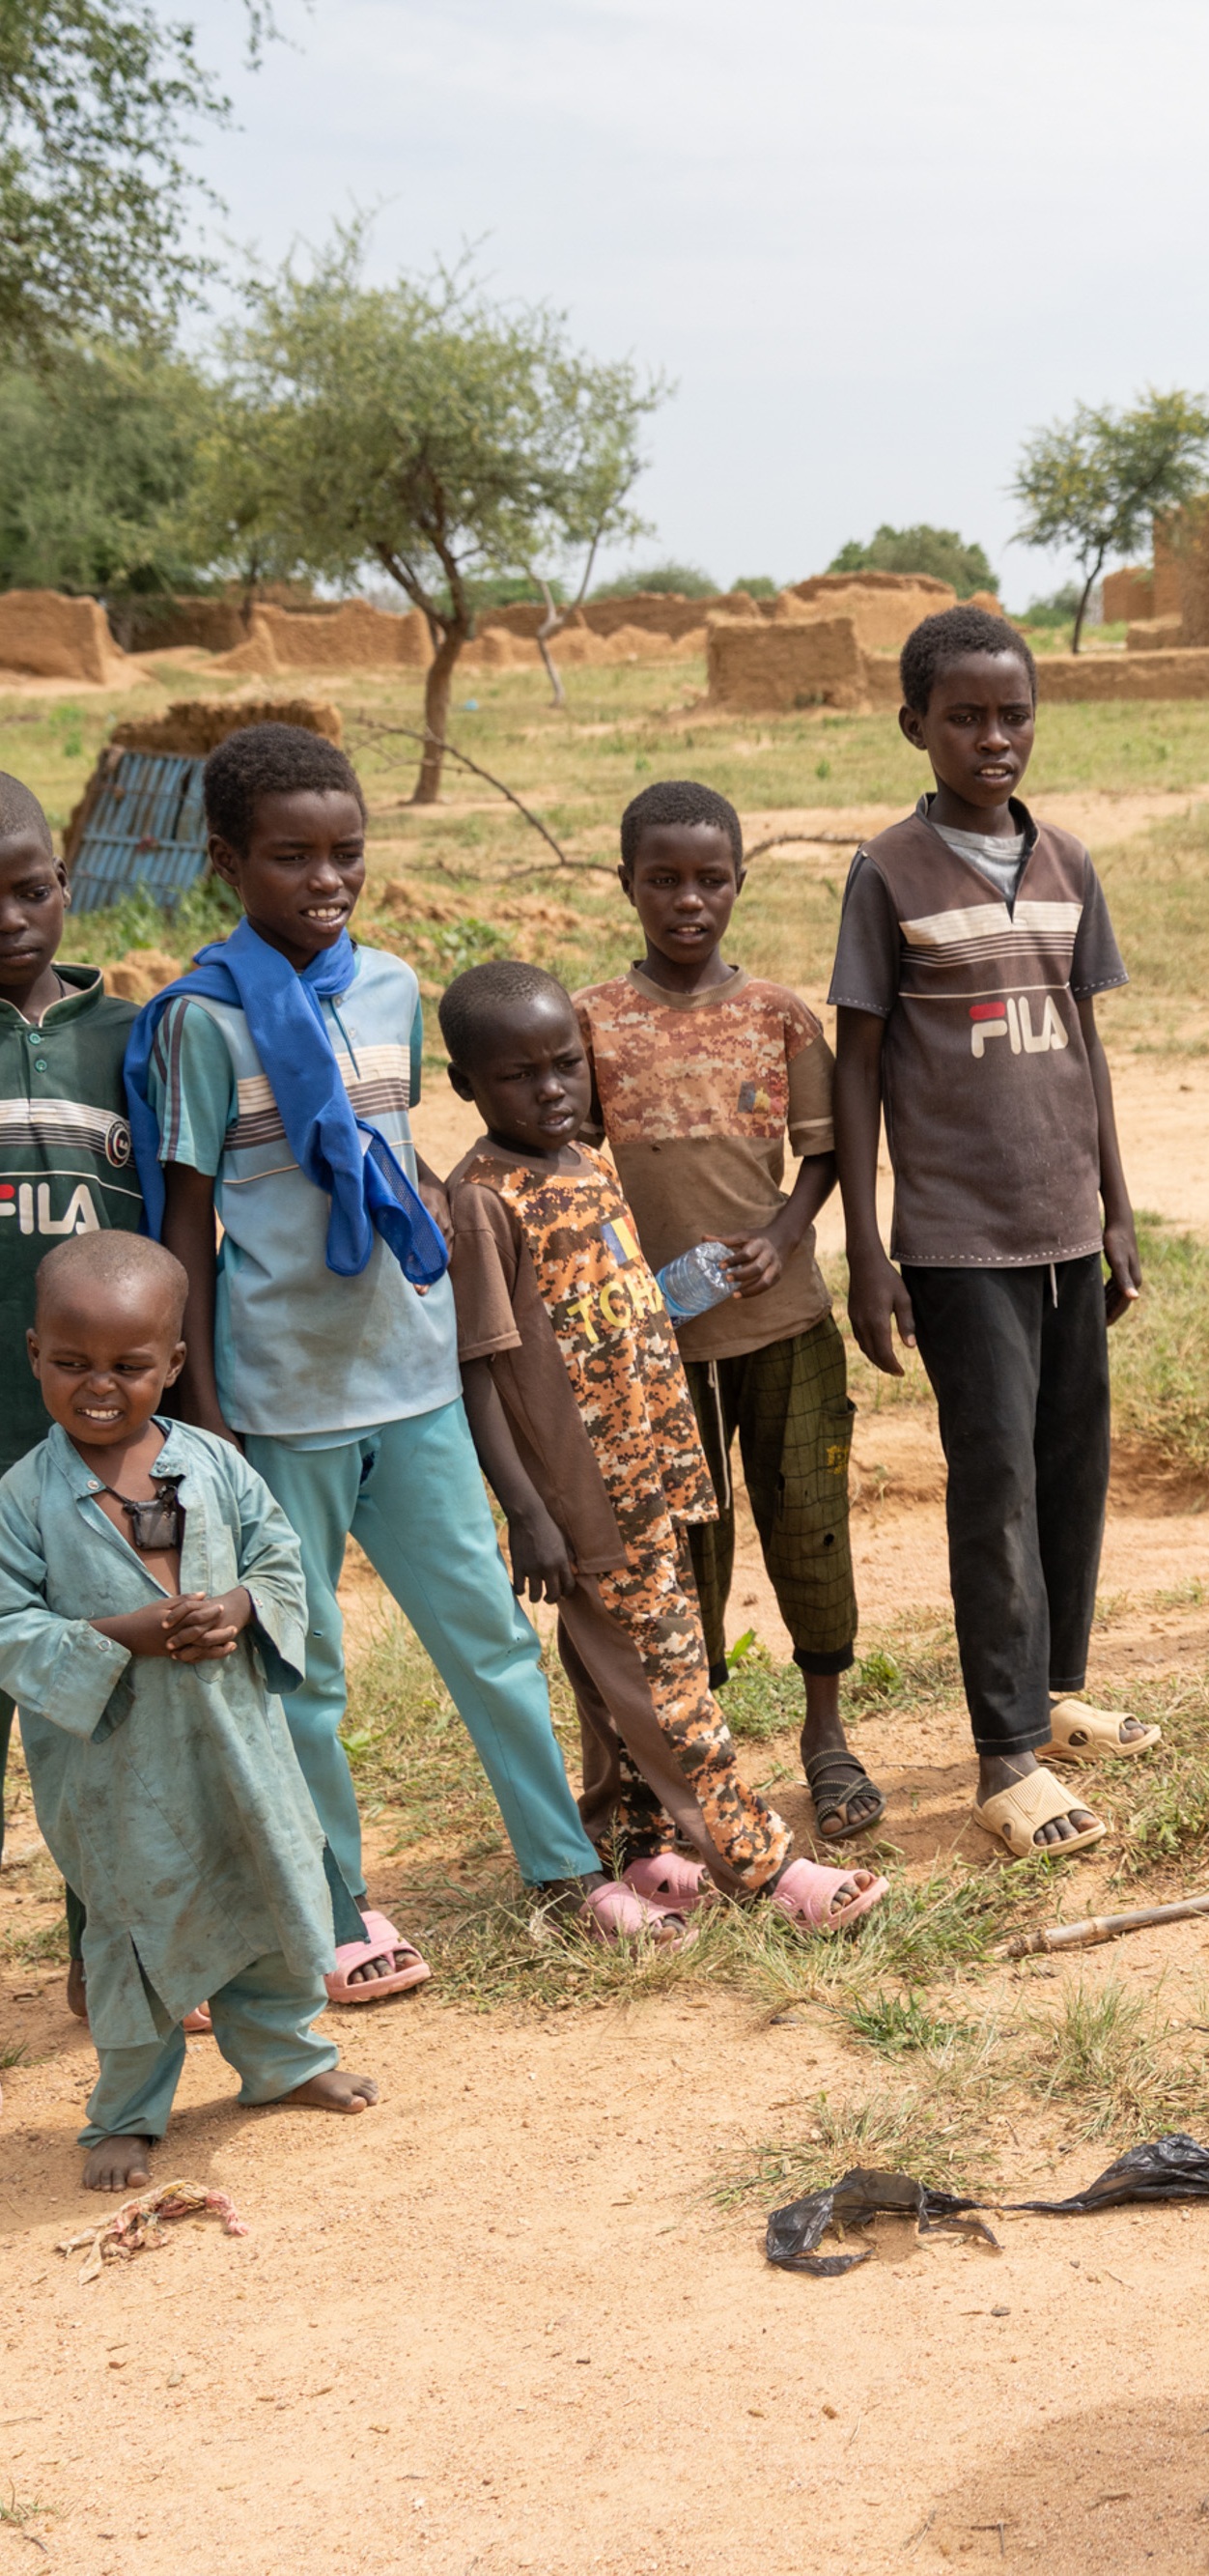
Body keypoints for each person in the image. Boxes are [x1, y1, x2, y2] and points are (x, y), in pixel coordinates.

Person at [129, 722, 619, 1996]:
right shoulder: (200, 1021)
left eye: (348, 853)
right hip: (277, 1400)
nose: (327, 879)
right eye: (292, 857)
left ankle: (560, 1867)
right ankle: (336, 1902)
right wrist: (204, 1411)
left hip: (412, 1380)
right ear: (229, 862)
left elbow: (404, 1174)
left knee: (489, 1636)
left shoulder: (394, 988)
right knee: (305, 1670)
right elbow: (186, 1220)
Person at [443, 960, 885, 1938]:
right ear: (465, 1082)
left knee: (615, 1682)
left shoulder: (587, 1161)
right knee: (671, 1687)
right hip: (584, 1501)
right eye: (520, 1075)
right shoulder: (483, 1201)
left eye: (566, 1065)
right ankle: (766, 1868)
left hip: (657, 1473)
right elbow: (477, 1369)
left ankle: (638, 1845)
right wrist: (528, 1513)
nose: (552, 1089)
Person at [831, 607, 1152, 1864]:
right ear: (915, 724)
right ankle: (1003, 1751)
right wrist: (868, 1244)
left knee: (1074, 1463)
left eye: (1012, 712)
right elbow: (858, 1067)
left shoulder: (1069, 862)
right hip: (960, 1240)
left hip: (1066, 1225)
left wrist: (1117, 1207)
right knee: (997, 1483)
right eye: (963, 715)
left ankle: (1058, 1692)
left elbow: (1086, 1047)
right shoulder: (890, 873)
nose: (993, 736)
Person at [0, 1231, 378, 2189]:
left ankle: (285, 2062)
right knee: (133, 1929)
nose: (99, 1386)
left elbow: (280, 1560)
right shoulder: (23, 1499)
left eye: (129, 1366)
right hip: (116, 1772)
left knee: (263, 1892)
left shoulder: (211, 1464)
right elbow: (9, 1624)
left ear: (172, 1364)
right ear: (35, 1354)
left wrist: (243, 1610)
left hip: (235, 1743)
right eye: (73, 1363)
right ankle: (126, 2112)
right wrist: (127, 1633)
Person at [576, 780, 878, 1845]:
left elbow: (829, 1149)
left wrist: (785, 1235)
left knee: (808, 1523)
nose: (688, 900)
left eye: (711, 879)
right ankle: (689, 1764)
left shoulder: (778, 1016)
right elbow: (561, 1157)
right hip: (654, 1350)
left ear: (739, 883)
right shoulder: (593, 1023)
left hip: (783, 1326)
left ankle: (826, 1738)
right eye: (664, 879)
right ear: (628, 886)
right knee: (679, 1554)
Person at [0, 771, 150, 2024]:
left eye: (32, 886)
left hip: (99, 1462)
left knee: (102, 1719)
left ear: (65, 883)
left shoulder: (129, 1041)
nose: (13, 915)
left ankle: (107, 1950)